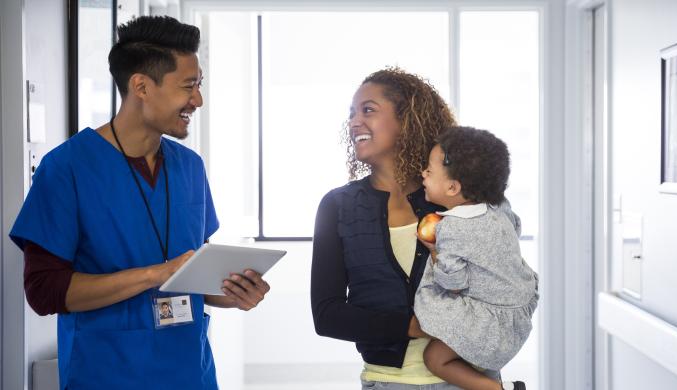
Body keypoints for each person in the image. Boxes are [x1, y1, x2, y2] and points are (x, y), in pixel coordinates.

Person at [10, 16, 270, 390]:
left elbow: (194, 274)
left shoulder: (190, 167)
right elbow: (44, 291)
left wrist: (236, 292)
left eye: (199, 86)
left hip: (190, 374)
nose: (198, 100)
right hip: (105, 375)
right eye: (188, 87)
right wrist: (156, 274)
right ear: (141, 86)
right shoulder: (67, 168)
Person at [311, 67, 503, 389]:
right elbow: (327, 314)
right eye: (352, 113)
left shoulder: (460, 198)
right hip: (388, 381)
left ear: (407, 120)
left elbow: (498, 284)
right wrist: (413, 326)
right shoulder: (337, 207)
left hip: (469, 378)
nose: (355, 121)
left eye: (368, 110)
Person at [415, 126, 539, 390]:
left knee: (433, 358)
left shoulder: (451, 228)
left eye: (429, 169)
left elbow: (454, 284)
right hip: (520, 310)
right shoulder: (498, 207)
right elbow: (515, 227)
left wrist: (433, 248)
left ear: (452, 187)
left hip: (491, 325)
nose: (423, 173)